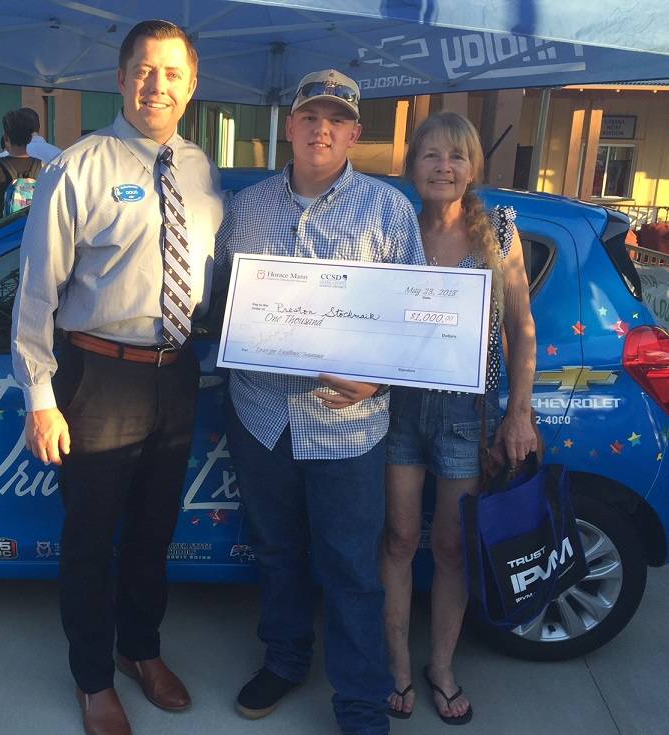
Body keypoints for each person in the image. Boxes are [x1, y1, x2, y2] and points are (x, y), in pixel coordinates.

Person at [12, 19, 223, 735]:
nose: (155, 84)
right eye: (143, 69)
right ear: (121, 76)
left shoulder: (199, 168)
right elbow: (36, 295)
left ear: (192, 84)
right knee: (91, 535)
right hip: (97, 374)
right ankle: (93, 677)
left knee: (153, 529)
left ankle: (141, 648)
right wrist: (41, 398)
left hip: (175, 372)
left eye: (170, 72)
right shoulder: (78, 168)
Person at [216, 69, 425, 735]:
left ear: (356, 134)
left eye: (336, 119)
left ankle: (361, 701)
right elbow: (223, 304)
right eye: (310, 116)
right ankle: (285, 657)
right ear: (290, 126)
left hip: (348, 425)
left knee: (350, 568)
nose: (322, 128)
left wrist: (380, 380)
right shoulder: (246, 209)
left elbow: (414, 320)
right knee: (276, 550)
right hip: (264, 418)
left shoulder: (389, 211)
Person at [380, 111, 537, 725]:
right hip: (396, 405)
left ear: (473, 168)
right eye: (431, 156)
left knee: (448, 545)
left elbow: (521, 328)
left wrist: (518, 413)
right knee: (397, 539)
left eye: (457, 157)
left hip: (467, 413)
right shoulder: (394, 226)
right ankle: (396, 663)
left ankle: (440, 667)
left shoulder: (498, 230)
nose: (444, 167)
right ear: (412, 164)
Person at [0, 108, 42, 224]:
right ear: (29, 138)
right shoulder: (42, 166)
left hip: (7, 235)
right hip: (33, 231)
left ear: (6, 138)